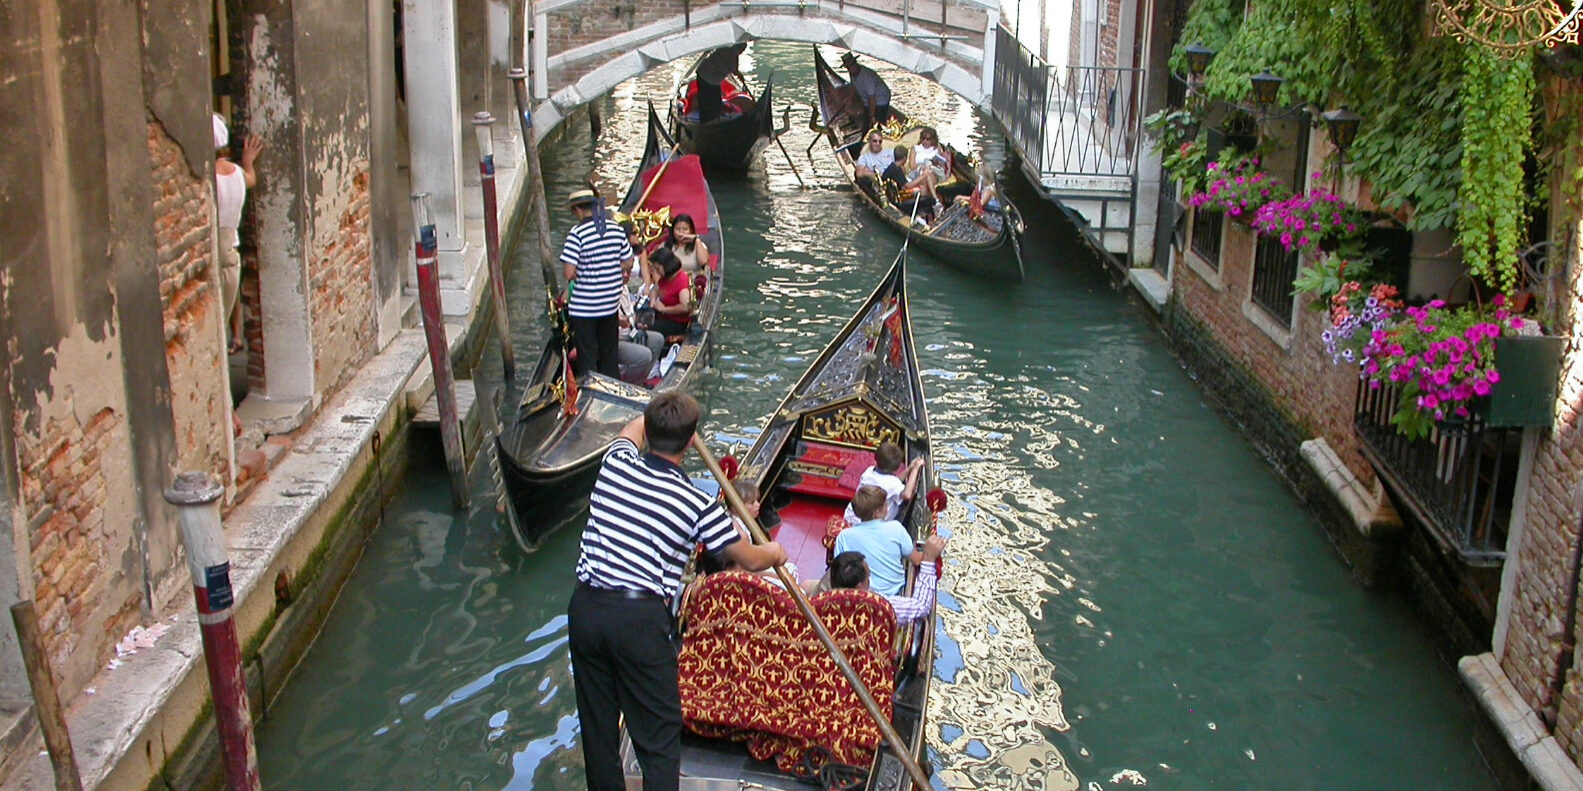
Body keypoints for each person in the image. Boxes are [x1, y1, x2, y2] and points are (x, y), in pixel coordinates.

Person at [568, 392, 787, 791]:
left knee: (598, 730)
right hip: (638, 621)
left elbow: (632, 429)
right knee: (659, 737)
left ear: (651, 432)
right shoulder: (698, 503)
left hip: (586, 610)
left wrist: (657, 415)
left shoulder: (615, 463)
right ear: (690, 443)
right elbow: (751, 559)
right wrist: (775, 551)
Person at [560, 189, 633, 378]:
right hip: (609, 305)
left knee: (588, 357)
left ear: (577, 210)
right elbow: (628, 262)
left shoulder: (576, 234)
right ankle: (611, 388)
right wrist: (609, 268)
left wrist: (586, 271)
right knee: (609, 354)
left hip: (584, 309)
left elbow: (568, 273)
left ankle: (591, 390)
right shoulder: (615, 229)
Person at [213, 114, 264, 354]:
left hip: (214, 254)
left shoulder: (208, 177)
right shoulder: (237, 173)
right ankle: (235, 337)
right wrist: (248, 161)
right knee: (225, 311)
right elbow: (251, 179)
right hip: (231, 253)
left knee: (215, 326)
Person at [828, 534, 946, 626]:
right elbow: (921, 606)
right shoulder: (878, 606)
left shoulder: (823, 605)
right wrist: (928, 560)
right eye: (868, 577)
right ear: (859, 587)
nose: (870, 581)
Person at [833, 485, 923, 597]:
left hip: (859, 595)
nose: (887, 507)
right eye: (885, 505)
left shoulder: (844, 536)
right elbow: (917, 560)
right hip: (894, 594)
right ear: (877, 512)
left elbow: (838, 572)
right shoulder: (896, 528)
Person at [842, 442, 925, 525]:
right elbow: (907, 494)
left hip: (852, 514)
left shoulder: (869, 471)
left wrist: (909, 469)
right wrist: (915, 469)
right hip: (868, 522)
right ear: (896, 468)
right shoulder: (892, 483)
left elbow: (893, 482)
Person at [693, 43, 747, 124]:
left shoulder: (726, 49)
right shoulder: (732, 56)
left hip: (705, 74)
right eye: (743, 49)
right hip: (708, 77)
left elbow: (734, 68)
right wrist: (740, 75)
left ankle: (709, 120)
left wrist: (739, 75)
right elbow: (734, 69)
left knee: (708, 99)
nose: (743, 51)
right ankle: (709, 121)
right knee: (711, 101)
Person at [648, 247, 694, 338]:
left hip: (677, 323)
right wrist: (652, 302)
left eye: (658, 269)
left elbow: (685, 307)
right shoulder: (664, 279)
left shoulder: (681, 280)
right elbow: (655, 289)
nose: (657, 272)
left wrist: (664, 309)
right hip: (663, 318)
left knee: (650, 327)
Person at [880, 146, 936, 221]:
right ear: (904, 158)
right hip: (899, 199)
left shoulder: (891, 168)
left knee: (922, 186)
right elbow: (907, 186)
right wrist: (923, 176)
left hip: (895, 195)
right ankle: (933, 207)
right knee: (925, 193)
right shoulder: (896, 169)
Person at [840, 52, 891, 131]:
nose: (850, 69)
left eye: (851, 66)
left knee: (875, 124)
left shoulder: (867, 77)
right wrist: (849, 100)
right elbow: (853, 86)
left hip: (881, 98)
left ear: (855, 63)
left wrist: (871, 116)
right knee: (866, 123)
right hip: (868, 99)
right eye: (848, 67)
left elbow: (872, 98)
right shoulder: (852, 73)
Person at [852, 130, 891, 195]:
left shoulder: (888, 152)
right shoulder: (864, 157)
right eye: (875, 141)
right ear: (870, 141)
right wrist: (876, 175)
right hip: (877, 181)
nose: (878, 144)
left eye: (880, 142)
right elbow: (859, 173)